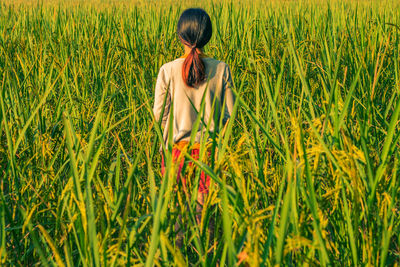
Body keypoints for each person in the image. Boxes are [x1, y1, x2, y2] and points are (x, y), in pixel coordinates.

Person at [152, 7, 235, 247]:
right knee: (205, 215)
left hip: (176, 152)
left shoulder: (167, 70)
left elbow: (160, 116)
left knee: (178, 216)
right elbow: (229, 116)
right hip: (209, 153)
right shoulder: (221, 69)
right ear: (208, 36)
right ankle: (206, 257)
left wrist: (164, 149)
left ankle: (181, 258)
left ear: (180, 36)